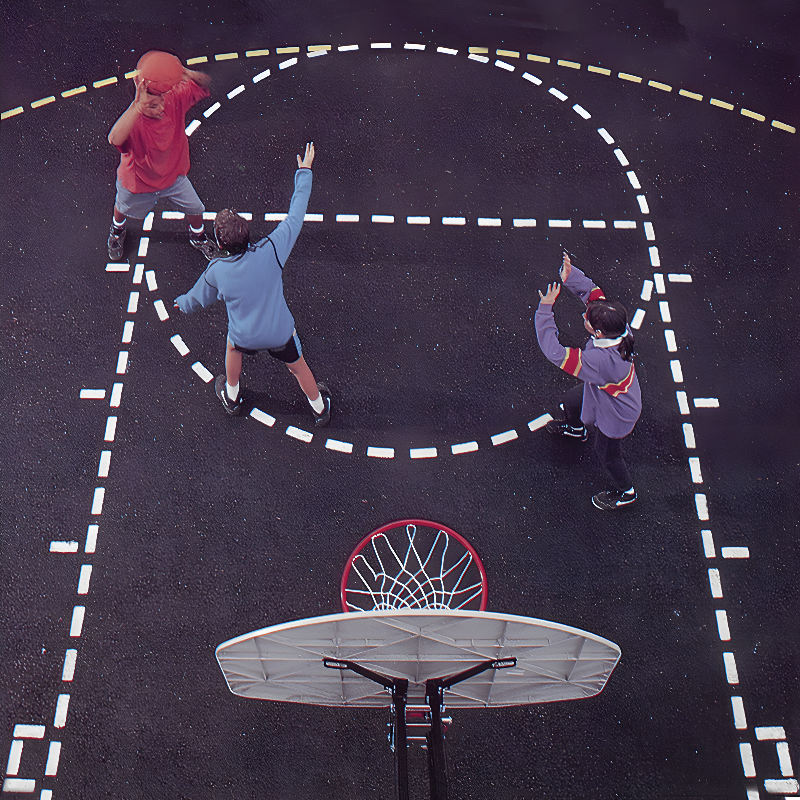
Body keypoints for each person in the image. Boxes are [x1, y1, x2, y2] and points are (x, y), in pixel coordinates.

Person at [173, 142, 331, 427]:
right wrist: (304, 172)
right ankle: (320, 408)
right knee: (298, 367)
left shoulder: (217, 271)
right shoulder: (271, 249)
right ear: (247, 236)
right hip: (280, 333)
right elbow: (296, 216)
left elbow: (197, 298)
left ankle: (232, 397)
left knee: (232, 348)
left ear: (220, 244)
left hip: (245, 336)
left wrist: (182, 303)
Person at [535, 252, 641, 510]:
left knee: (607, 454)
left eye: (587, 320)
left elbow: (556, 354)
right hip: (604, 391)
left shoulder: (602, 361)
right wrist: (571, 275)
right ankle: (576, 429)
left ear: (598, 332)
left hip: (617, 412)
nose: (584, 317)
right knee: (572, 401)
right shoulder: (617, 324)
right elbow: (594, 296)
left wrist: (545, 310)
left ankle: (626, 492)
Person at [107, 51, 217, 262]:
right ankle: (117, 229)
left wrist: (182, 73)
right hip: (138, 183)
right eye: (151, 105)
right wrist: (137, 106)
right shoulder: (133, 123)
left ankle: (198, 236)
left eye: (161, 101)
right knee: (121, 207)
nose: (161, 107)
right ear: (139, 103)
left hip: (174, 177)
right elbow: (114, 138)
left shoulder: (174, 98)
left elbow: (206, 83)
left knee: (196, 208)